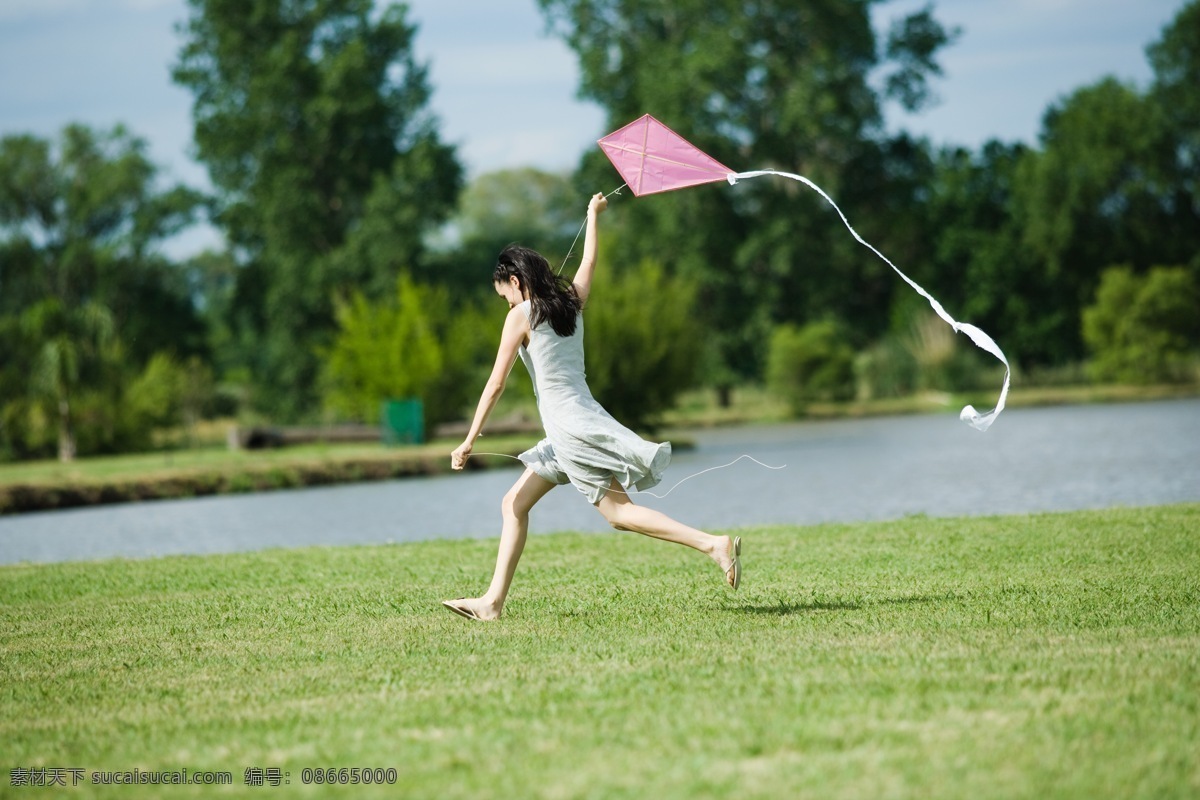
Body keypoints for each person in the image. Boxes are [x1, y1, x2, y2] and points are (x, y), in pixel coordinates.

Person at [443, 191, 741, 621]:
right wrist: (593, 216)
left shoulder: (521, 314)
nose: (505, 303)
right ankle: (491, 603)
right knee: (514, 504)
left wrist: (468, 440)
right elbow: (588, 266)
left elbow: (495, 384)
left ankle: (713, 544)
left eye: (503, 294)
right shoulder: (571, 305)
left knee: (619, 515)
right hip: (578, 422)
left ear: (515, 281)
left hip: (569, 430)